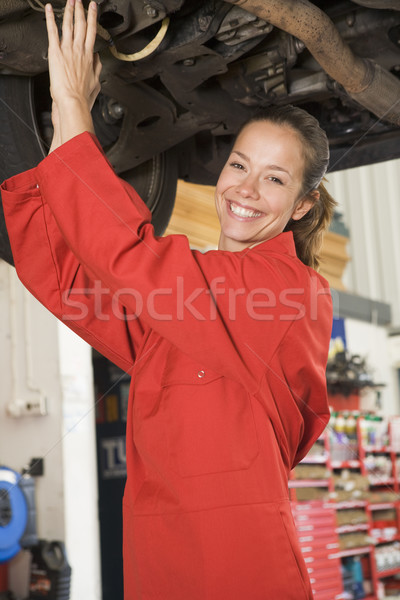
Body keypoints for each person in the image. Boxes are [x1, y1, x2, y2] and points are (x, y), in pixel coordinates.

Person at [1, 1, 336, 598]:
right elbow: (78, 289)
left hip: (240, 566)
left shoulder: (290, 293)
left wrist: (75, 107)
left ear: (302, 206)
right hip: (160, 557)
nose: (245, 189)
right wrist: (43, 149)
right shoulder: (193, 303)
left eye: (276, 179)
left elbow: (132, 258)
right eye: (239, 164)